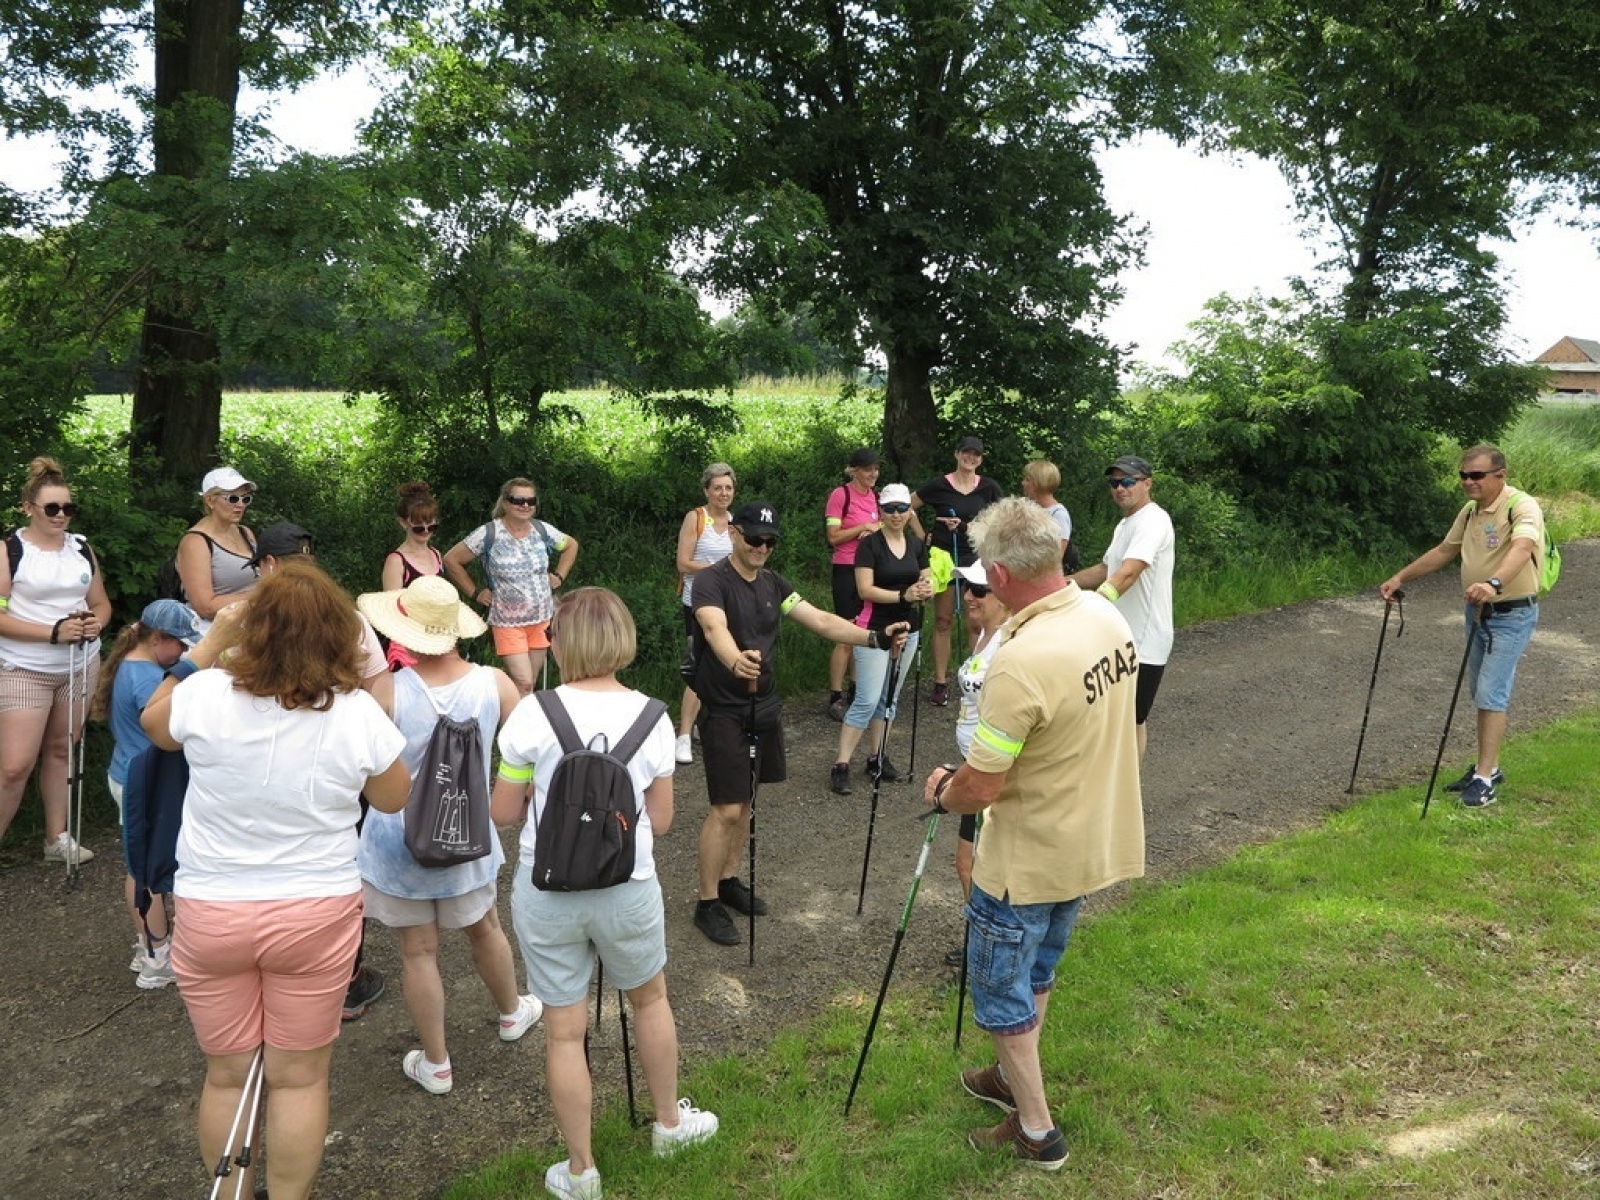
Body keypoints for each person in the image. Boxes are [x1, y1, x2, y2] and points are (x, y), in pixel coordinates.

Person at [140, 559, 411, 1200]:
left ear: (253, 628)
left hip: (213, 910)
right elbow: (395, 798)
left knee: (227, 1076)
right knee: (298, 1078)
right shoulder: (356, 712)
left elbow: (154, 724)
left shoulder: (204, 694)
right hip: (314, 912)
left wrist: (206, 645)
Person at [921, 497, 1144, 1169]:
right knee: (1037, 972)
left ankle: (1038, 1131)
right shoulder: (1104, 614)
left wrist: (940, 794)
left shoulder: (1017, 660)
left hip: (1023, 859)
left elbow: (981, 784)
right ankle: (1013, 1087)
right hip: (1088, 840)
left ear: (999, 574)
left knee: (999, 995)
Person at [492, 587, 717, 1200]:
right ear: (622, 639)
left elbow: (505, 812)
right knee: (649, 1000)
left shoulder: (532, 715)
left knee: (564, 1031)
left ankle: (581, 1169)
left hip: (546, 889)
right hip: (628, 885)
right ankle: (669, 1123)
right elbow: (663, 821)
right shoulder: (653, 715)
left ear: (559, 643)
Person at [688, 502, 909, 946]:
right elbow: (713, 628)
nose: (762, 548)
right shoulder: (711, 581)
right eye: (754, 539)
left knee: (746, 798)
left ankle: (730, 880)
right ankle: (707, 903)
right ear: (733, 533)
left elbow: (821, 620)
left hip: (763, 706)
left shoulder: (775, 584)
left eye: (770, 542)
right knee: (726, 807)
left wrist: (873, 638)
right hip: (726, 706)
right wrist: (735, 661)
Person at [355, 575, 540, 1095]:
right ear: (456, 629)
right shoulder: (496, 684)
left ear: (406, 630)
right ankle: (510, 1012)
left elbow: (362, 769)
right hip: (466, 832)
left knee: (418, 952)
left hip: (398, 842)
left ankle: (436, 1062)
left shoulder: (385, 691)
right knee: (485, 928)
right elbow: (532, 748)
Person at [249, 520, 393, 1020]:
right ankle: (344, 979)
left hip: (257, 770)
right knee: (339, 863)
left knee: (263, 863)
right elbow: (381, 685)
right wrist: (370, 749)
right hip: (335, 768)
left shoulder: (241, 620)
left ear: (267, 565)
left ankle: (268, 979)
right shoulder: (348, 617)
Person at [1379, 443, 1546, 809]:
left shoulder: (1522, 506)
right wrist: (1401, 577)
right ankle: (1490, 767)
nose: (1468, 482)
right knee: (1481, 693)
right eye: (1463, 476)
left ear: (1500, 475)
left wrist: (1494, 584)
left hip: (1510, 613)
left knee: (1491, 693)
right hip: (1478, 613)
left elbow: (1521, 549)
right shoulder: (1471, 511)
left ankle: (1485, 781)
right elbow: (1444, 550)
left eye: (1476, 476)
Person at [0, 455, 111, 861]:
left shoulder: (81, 548)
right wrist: (53, 632)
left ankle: (56, 839)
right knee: (14, 766)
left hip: (79, 663)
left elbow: (100, 603)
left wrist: (93, 624)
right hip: (24, 668)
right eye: (52, 508)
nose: (61, 515)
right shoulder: (10, 550)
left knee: (63, 749)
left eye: (68, 508)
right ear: (29, 508)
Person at [90, 598, 203, 988]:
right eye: (181, 645)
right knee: (150, 869)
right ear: (157, 639)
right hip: (145, 785)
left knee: (140, 864)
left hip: (127, 774)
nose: (185, 653)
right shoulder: (147, 681)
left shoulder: (134, 664)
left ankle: (148, 947)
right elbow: (175, 725)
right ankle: (157, 958)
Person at [829, 482, 932, 795]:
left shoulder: (916, 544)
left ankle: (877, 757)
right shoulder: (869, 545)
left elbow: (926, 575)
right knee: (867, 698)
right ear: (881, 510)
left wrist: (925, 588)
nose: (897, 514)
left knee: (890, 697)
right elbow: (865, 590)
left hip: (909, 627)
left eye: (902, 508)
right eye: (890, 509)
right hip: (874, 628)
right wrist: (905, 593)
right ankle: (841, 764)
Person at [1070, 455, 1175, 758]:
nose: (1120, 488)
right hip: (1117, 638)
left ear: (1147, 483)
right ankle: (1118, 790)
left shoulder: (1153, 520)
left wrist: (1094, 605)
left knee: (1131, 720)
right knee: (1112, 717)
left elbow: (1129, 572)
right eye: (1114, 482)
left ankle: (1125, 796)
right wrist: (1063, 585)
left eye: (1128, 481)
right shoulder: (1126, 523)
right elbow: (1106, 569)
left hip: (1144, 641)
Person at [444, 477, 579, 695]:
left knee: (529, 684)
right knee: (524, 681)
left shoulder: (542, 530)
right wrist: (475, 592)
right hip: (507, 622)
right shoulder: (490, 533)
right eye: (517, 500)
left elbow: (571, 545)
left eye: (531, 501)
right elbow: (451, 559)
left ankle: (514, 725)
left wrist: (559, 576)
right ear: (505, 503)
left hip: (542, 619)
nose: (525, 505)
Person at [941, 560, 1010, 967]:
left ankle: (990, 948)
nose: (968, 595)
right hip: (972, 764)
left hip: (990, 771)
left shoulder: (1009, 643)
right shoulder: (984, 635)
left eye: (978, 589)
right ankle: (983, 942)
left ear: (1002, 593)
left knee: (978, 867)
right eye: (966, 586)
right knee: (968, 864)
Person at [910, 436, 1003, 706]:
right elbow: (908, 506)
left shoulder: (989, 488)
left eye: (976, 455)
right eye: (966, 452)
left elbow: (1002, 518)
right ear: (956, 454)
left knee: (977, 620)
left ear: (981, 459)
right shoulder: (940, 485)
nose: (970, 458)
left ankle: (977, 675)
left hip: (976, 558)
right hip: (944, 557)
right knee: (943, 621)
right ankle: (941, 682)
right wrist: (922, 536)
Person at [673, 464, 737, 765]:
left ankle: (706, 725)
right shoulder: (696, 518)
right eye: (717, 488)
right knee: (697, 666)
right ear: (706, 490)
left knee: (724, 662)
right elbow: (684, 564)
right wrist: (721, 570)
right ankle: (683, 735)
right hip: (697, 601)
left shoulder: (738, 523)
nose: (723, 493)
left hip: (729, 603)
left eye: (728, 488)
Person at [823, 448, 883, 720]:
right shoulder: (841, 495)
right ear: (855, 470)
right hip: (846, 568)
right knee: (845, 631)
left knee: (862, 631)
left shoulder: (877, 498)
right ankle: (835, 696)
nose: (873, 474)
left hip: (869, 569)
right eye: (868, 469)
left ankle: (856, 689)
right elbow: (833, 536)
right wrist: (862, 529)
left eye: (876, 469)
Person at [175, 467, 259, 624]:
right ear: (210, 500)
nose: (240, 505)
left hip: (252, 624)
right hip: (215, 632)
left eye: (245, 499)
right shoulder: (195, 542)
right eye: (232, 499)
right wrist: (263, 597)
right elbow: (205, 607)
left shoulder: (245, 533)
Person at [380, 481, 446, 671]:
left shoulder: (436, 554)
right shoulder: (396, 561)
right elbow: (391, 612)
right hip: (409, 644)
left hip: (438, 638)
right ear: (403, 522)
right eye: (418, 526)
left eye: (431, 526)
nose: (426, 531)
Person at [1020, 460, 1076, 572]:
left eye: (1027, 480)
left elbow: (1056, 557)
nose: (1023, 483)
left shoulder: (1058, 514)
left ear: (1038, 483)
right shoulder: (1028, 509)